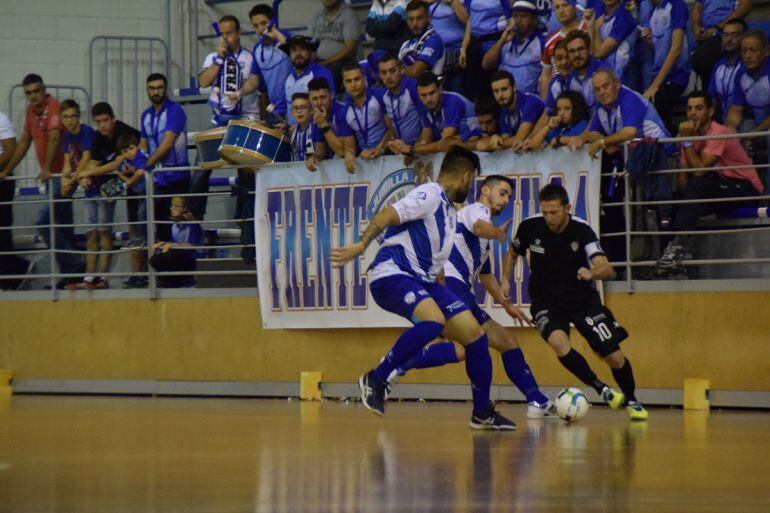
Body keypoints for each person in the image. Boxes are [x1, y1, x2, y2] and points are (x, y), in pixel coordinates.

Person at [330, 147, 516, 430]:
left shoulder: (450, 213)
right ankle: (376, 378)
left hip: (425, 280)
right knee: (433, 321)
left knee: (476, 338)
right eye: (472, 181)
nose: (470, 188)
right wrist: (361, 244)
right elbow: (388, 214)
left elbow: (436, 259)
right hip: (392, 273)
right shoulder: (430, 193)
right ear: (465, 177)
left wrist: (441, 287)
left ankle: (481, 413)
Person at [386, 175, 557, 419]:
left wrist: (507, 305)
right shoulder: (475, 211)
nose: (506, 199)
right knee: (470, 347)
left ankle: (536, 400)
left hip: (463, 291)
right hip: (452, 287)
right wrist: (496, 232)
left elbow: (485, 277)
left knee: (505, 341)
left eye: (509, 195)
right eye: (503, 192)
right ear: (485, 191)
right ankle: (400, 363)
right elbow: (479, 226)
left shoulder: (482, 240)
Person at [501, 183, 648, 421]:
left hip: (582, 302)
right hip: (546, 301)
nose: (549, 218)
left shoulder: (582, 230)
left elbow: (606, 267)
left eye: (555, 213)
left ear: (567, 208)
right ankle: (601, 388)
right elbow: (512, 253)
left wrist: (592, 273)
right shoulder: (529, 227)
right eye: (545, 212)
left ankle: (631, 398)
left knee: (614, 357)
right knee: (559, 343)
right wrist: (505, 281)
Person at [647, 91, 764, 279]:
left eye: (699, 108)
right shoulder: (688, 135)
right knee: (670, 202)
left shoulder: (718, 132)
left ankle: (678, 248)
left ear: (710, 111)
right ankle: (670, 260)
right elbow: (684, 182)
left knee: (697, 185)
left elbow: (700, 171)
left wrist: (686, 141)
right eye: (690, 108)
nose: (693, 113)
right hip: (717, 187)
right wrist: (687, 142)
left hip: (744, 187)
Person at [3, 74, 82, 287]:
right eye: (28, 93)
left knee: (44, 221)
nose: (33, 96)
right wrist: (6, 171)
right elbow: (23, 144)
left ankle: (75, 264)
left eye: (36, 91)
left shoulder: (53, 106)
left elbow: (56, 136)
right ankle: (71, 277)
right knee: (63, 226)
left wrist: (46, 168)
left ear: (43, 89)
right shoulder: (30, 112)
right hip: (52, 178)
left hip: (61, 175)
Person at [74, 102, 145, 288]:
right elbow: (95, 163)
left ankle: (106, 276)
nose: (103, 125)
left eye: (106, 120)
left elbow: (116, 164)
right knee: (94, 226)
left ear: (114, 119)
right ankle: (90, 277)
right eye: (98, 122)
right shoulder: (98, 137)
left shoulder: (124, 132)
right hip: (118, 179)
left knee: (107, 226)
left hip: (135, 179)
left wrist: (88, 173)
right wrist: (83, 177)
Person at [195, 15, 257, 222]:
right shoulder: (212, 57)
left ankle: (245, 219)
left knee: (246, 174)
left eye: (229, 33)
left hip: (242, 120)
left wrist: (240, 92)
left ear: (238, 33)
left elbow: (255, 82)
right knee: (201, 169)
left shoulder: (248, 57)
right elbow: (203, 81)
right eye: (222, 34)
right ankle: (194, 215)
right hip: (217, 121)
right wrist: (219, 60)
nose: (226, 38)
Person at [59, 100, 113, 290]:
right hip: (88, 188)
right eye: (66, 117)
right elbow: (67, 162)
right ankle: (90, 277)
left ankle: (104, 277)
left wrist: (74, 178)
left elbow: (86, 159)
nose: (70, 120)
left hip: (104, 185)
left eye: (73, 116)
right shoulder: (66, 137)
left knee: (104, 232)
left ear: (79, 117)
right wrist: (65, 180)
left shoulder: (88, 132)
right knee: (91, 233)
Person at [139, 73, 191, 242]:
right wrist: (138, 162)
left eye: (160, 88)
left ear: (165, 89)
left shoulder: (175, 110)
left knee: (178, 225)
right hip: (157, 179)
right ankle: (164, 265)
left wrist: (145, 164)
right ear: (147, 90)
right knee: (160, 227)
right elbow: (143, 143)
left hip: (177, 176)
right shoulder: (145, 115)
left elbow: (168, 143)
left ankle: (181, 265)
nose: (156, 92)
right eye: (152, 88)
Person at [388, 71, 478, 159]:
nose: (428, 99)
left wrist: (410, 149)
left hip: (478, 144)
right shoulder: (426, 109)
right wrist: (404, 150)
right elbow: (425, 142)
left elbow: (444, 143)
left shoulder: (452, 102)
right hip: (464, 151)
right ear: (418, 95)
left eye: (432, 93)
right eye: (423, 95)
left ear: (439, 90)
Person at [643, 0, 690, 134]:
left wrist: (655, 85)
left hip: (676, 75)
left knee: (658, 112)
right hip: (659, 76)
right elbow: (658, 51)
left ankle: (676, 146)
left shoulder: (677, 6)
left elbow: (676, 48)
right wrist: (649, 41)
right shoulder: (654, 12)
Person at [239, 4, 291, 126]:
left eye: (264, 23)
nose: (260, 29)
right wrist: (238, 93)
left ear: (273, 22)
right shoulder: (258, 49)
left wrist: (278, 36)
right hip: (275, 111)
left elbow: (299, 58)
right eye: (256, 26)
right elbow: (253, 81)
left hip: (295, 108)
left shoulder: (288, 38)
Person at [482, 1, 544, 96]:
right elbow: (486, 64)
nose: (518, 20)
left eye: (524, 16)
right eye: (515, 16)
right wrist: (501, 41)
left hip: (530, 101)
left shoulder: (542, 41)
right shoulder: (506, 40)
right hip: (506, 102)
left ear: (533, 19)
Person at [337, 62, 390, 173]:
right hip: (365, 160)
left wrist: (380, 148)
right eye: (349, 81)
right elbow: (349, 145)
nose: (353, 84)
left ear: (364, 79)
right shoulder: (344, 112)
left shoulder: (380, 96)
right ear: (343, 84)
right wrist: (349, 154)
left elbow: (393, 128)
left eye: (357, 79)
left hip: (390, 155)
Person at [691, 0, 752, 89]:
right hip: (705, 34)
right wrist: (696, 27)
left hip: (725, 30)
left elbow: (746, 6)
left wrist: (717, 28)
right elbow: (696, 9)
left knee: (703, 57)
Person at [116, 132, 150, 288]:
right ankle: (139, 237)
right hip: (136, 194)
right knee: (137, 216)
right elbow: (119, 171)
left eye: (131, 149)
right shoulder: (125, 161)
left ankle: (142, 237)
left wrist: (129, 182)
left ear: (136, 147)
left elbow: (140, 172)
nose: (129, 153)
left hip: (146, 192)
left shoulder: (141, 156)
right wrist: (126, 179)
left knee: (143, 214)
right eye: (125, 151)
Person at [460, 0, 510, 100]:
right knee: (472, 89)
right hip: (474, 44)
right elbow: (471, 20)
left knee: (491, 85)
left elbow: (510, 20)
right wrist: (464, 48)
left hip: (493, 41)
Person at [0, 110, 28, 290]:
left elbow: (10, 149)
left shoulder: (1, 119)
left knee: (2, 230)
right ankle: (14, 270)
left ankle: (12, 275)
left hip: (3, 181)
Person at [282, 35, 336, 125]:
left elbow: (330, 106)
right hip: (294, 134)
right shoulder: (288, 77)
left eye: (302, 49)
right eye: (294, 50)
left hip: (317, 133)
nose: (298, 53)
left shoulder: (321, 73)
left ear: (310, 52)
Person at [308, 0, 363, 90]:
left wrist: (327, 62)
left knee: (330, 74)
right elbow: (308, 44)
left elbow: (350, 50)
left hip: (342, 62)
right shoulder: (316, 17)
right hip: (320, 62)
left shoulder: (349, 15)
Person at [539, 0, 589, 99]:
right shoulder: (550, 39)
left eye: (565, 5)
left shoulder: (587, 30)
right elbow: (546, 74)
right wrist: (546, 103)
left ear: (575, 7)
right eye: (557, 7)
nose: (561, 10)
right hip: (560, 96)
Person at [149, 196, 201, 288]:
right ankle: (167, 281)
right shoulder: (174, 226)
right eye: (172, 206)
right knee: (154, 259)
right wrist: (164, 243)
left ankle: (186, 280)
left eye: (176, 206)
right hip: (178, 253)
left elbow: (191, 245)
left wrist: (173, 245)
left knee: (171, 256)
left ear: (185, 209)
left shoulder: (192, 225)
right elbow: (174, 242)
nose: (172, 209)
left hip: (190, 257)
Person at [489, 70, 545, 152]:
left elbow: (519, 138)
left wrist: (491, 144)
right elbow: (505, 138)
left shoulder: (530, 103)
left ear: (514, 87)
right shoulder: (504, 110)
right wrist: (495, 138)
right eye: (496, 91)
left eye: (504, 89)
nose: (500, 95)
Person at [378, 52, 423, 147]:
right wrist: (380, 149)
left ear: (402, 70)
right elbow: (391, 129)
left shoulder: (413, 87)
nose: (388, 76)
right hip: (400, 150)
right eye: (384, 73)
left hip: (420, 147)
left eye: (392, 71)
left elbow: (428, 126)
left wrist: (412, 150)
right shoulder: (383, 95)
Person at [586, 0, 637, 83]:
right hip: (605, 80)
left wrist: (595, 29)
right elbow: (593, 52)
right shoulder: (602, 18)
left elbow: (600, 54)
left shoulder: (625, 18)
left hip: (623, 80)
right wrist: (590, 26)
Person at [707, 18, 746, 122]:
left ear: (744, 37)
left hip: (747, 120)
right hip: (724, 121)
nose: (729, 39)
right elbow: (712, 98)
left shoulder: (748, 64)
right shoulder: (718, 66)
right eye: (726, 35)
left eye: (735, 35)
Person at [425, 0, 469, 93]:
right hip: (435, 54)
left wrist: (453, 2)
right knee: (437, 92)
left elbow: (468, 21)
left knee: (456, 91)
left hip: (456, 54)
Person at [524, 90, 590, 150]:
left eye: (567, 108)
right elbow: (532, 146)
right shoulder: (557, 128)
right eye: (559, 109)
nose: (561, 113)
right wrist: (548, 127)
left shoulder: (583, 124)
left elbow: (577, 139)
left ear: (577, 109)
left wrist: (558, 140)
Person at [399, 0, 445, 78]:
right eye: (411, 19)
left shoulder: (433, 40)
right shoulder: (406, 44)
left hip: (429, 88)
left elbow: (415, 72)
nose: (415, 24)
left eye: (419, 18)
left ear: (429, 18)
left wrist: (401, 71)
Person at [564, 30, 607, 111]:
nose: (576, 55)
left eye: (580, 49)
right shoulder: (571, 78)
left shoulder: (602, 70)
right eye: (572, 51)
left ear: (589, 50)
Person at [309, 77, 346, 157]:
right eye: (315, 99)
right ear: (310, 100)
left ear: (331, 95)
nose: (319, 102)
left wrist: (323, 124)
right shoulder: (316, 115)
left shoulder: (343, 111)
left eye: (323, 97)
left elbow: (342, 152)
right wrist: (314, 158)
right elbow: (322, 151)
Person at [288, 92, 327, 170]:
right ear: (292, 112)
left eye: (303, 107)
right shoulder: (292, 132)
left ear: (311, 110)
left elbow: (322, 151)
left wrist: (315, 157)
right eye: (296, 108)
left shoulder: (317, 126)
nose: (299, 111)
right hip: (299, 176)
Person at [544, 39, 571, 115]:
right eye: (560, 58)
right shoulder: (554, 84)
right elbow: (548, 114)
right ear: (554, 61)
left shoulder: (581, 80)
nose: (564, 62)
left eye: (567, 57)